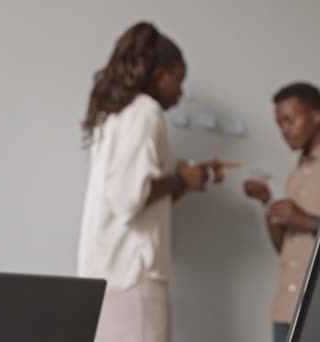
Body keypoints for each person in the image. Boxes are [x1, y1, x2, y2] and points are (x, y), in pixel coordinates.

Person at [78, 22, 224, 342]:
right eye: (178, 81)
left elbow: (135, 195)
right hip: (132, 273)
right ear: (159, 74)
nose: (181, 92)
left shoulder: (114, 114)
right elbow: (130, 198)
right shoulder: (146, 111)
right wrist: (180, 179)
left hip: (107, 271)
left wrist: (184, 181)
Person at [244, 82, 320, 342]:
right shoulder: (295, 176)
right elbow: (285, 248)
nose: (284, 131)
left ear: (316, 116)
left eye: (290, 120)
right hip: (285, 308)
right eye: (279, 124)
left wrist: (305, 220)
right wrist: (268, 205)